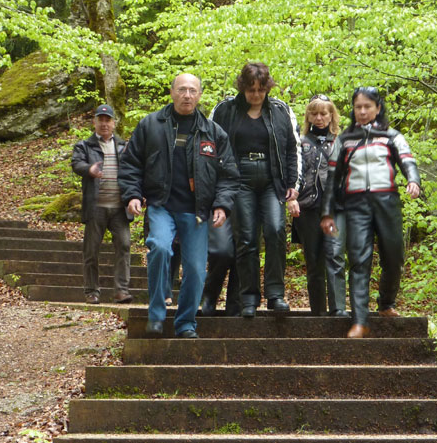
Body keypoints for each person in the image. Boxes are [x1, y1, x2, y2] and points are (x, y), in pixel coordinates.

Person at [118, 73, 239, 338]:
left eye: (192, 90)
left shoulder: (213, 132)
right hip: (161, 205)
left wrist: (222, 205)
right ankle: (156, 315)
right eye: (182, 89)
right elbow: (130, 164)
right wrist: (133, 195)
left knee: (195, 270)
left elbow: (228, 175)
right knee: (160, 248)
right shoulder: (150, 125)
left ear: (199, 95)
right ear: (172, 92)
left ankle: (185, 323)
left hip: (196, 212)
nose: (187, 95)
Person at [320, 87, 421, 338]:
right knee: (359, 260)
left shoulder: (391, 136)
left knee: (394, 256)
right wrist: (327, 213)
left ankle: (386, 303)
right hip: (356, 204)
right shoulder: (344, 139)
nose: (363, 111)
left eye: (368, 106)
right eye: (358, 107)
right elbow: (332, 177)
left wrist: (413, 180)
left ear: (378, 108)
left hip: (386, 201)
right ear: (353, 110)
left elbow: (407, 160)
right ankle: (360, 321)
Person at [211, 62, 301, 317]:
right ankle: (248, 298)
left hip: (273, 180)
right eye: (251, 90)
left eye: (261, 90)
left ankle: (275, 295)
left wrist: (293, 184)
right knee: (247, 237)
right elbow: (211, 146)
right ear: (243, 87)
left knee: (275, 230)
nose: (256, 95)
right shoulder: (225, 109)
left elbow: (292, 149)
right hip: (239, 180)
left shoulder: (281, 110)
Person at [287, 94, 347, 316]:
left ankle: (338, 309)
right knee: (313, 261)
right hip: (307, 208)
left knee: (335, 256)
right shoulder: (299, 142)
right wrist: (291, 198)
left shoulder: (342, 142)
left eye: (324, 113)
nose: (319, 118)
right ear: (308, 116)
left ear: (332, 115)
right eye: (315, 113)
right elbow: (291, 172)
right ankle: (318, 313)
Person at [71, 104, 133, 304]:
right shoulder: (84, 146)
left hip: (119, 207)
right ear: (94, 122)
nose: (104, 124)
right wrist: (89, 169)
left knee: (124, 245)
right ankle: (91, 291)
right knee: (91, 250)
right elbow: (76, 163)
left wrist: (137, 195)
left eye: (108, 120)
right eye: (101, 120)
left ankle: (121, 290)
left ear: (114, 123)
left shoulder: (124, 146)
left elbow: (134, 171)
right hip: (95, 206)